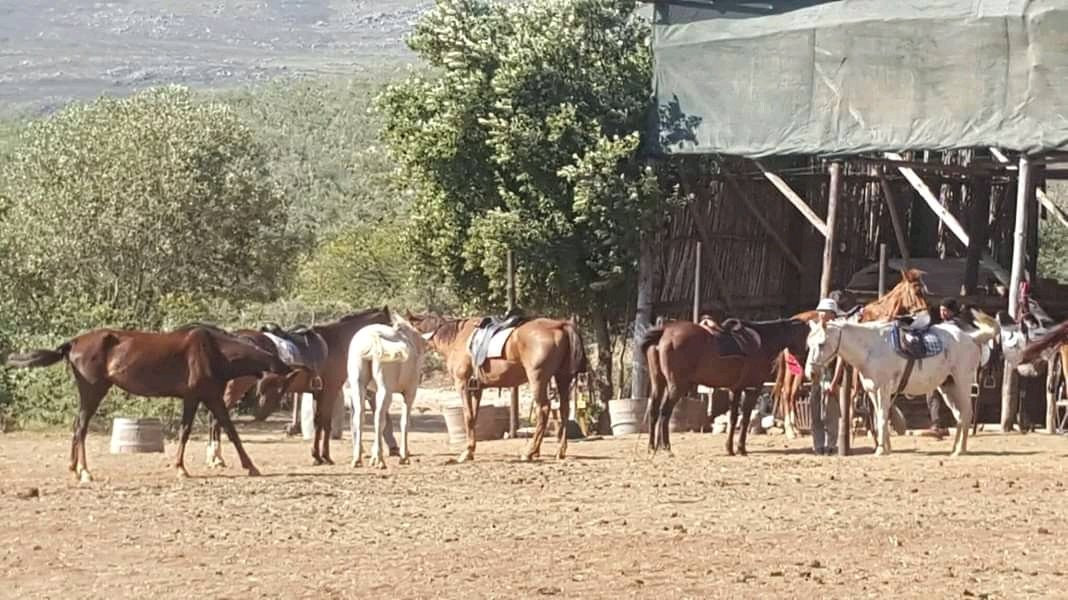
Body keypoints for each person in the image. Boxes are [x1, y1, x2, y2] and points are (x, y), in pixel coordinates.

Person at [809, 297, 846, 455]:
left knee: (831, 412)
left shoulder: (837, 333)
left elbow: (840, 359)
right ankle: (818, 444)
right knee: (815, 412)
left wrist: (835, 381)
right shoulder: (814, 331)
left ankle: (831, 444)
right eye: (821, 313)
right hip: (816, 375)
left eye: (826, 313)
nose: (822, 316)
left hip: (829, 375)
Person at [925, 298, 961, 439]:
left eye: (945, 310)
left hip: (953, 365)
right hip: (939, 365)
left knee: (953, 397)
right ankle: (936, 424)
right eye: (941, 310)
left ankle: (959, 421)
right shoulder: (940, 326)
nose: (942, 313)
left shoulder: (957, 326)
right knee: (932, 394)